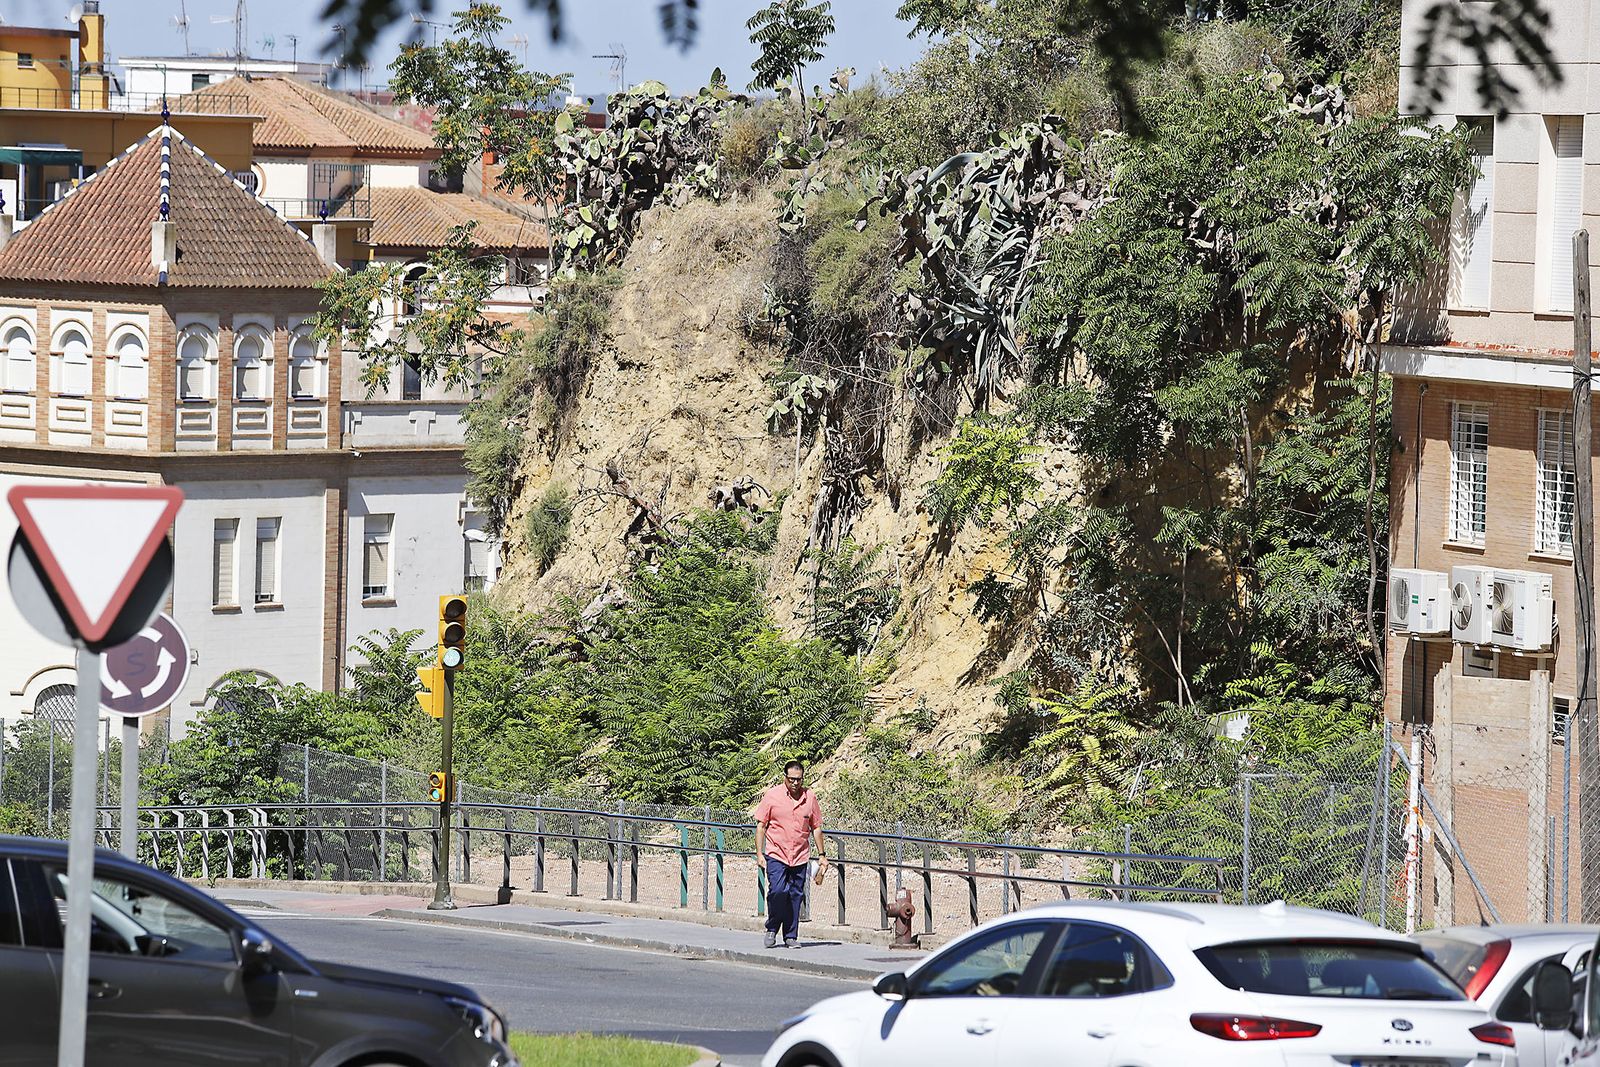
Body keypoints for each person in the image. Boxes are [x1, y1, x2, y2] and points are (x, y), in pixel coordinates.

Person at [755, 759, 827, 949]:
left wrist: (822, 854)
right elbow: (761, 826)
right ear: (785, 777)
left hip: (800, 855)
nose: (795, 783)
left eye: (799, 780)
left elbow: (817, 828)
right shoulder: (772, 796)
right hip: (776, 853)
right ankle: (772, 927)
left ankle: (790, 936)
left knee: (795, 895)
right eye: (792, 779)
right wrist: (759, 854)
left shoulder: (810, 798)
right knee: (779, 891)